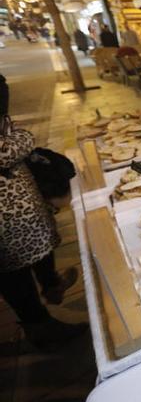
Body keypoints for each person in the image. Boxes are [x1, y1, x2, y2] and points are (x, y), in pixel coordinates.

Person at [0, 74, 85, 348]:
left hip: (20, 210)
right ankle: (39, 326)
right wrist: (22, 136)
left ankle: (52, 286)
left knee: (39, 247)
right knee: (13, 271)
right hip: (5, 220)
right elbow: (7, 149)